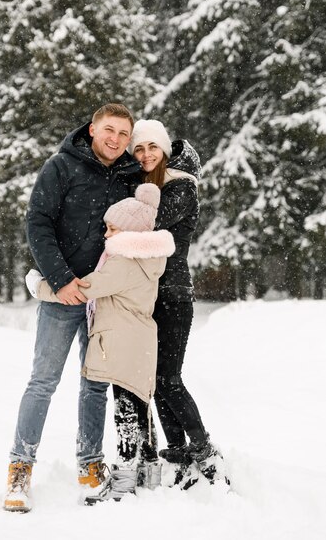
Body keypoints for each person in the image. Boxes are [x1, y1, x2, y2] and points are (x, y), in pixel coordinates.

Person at [3, 103, 142, 513]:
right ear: (93, 130)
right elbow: (37, 222)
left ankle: (90, 464)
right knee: (43, 381)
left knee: (95, 384)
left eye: (123, 133)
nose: (116, 139)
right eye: (109, 130)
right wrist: (61, 280)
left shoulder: (131, 175)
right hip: (65, 295)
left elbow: (142, 227)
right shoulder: (62, 166)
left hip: (106, 298)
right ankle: (20, 468)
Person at [27, 183, 175, 505]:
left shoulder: (122, 263)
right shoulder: (147, 259)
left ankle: (122, 482)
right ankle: (148, 474)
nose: (106, 235)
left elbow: (82, 290)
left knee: (125, 414)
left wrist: (39, 286)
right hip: (140, 342)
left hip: (123, 345)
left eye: (112, 229)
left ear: (131, 233)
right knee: (138, 408)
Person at [123, 118, 228, 489]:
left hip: (173, 295)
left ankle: (202, 449)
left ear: (165, 152)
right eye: (138, 148)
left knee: (169, 378)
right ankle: (178, 448)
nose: (146, 154)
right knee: (157, 378)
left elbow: (148, 224)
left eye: (152, 147)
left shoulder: (179, 187)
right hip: (148, 295)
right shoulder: (148, 187)